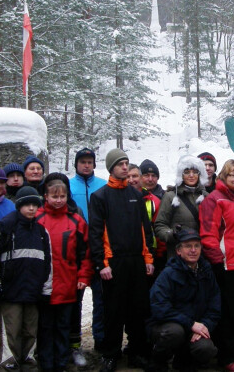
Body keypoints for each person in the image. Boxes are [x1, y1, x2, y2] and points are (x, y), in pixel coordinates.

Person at [89, 148, 156, 372]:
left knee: (138, 310)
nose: (125, 167)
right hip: (113, 262)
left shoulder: (136, 195)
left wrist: (148, 258)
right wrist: (101, 263)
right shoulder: (100, 196)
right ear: (111, 168)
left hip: (136, 260)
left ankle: (137, 352)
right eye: (120, 164)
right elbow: (95, 232)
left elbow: (145, 229)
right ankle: (110, 354)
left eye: (127, 163)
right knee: (113, 311)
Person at [0, 186, 52, 372]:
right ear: (19, 206)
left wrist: (46, 289)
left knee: (31, 332)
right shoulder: (5, 228)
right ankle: (9, 366)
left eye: (35, 205)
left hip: (33, 292)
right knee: (11, 332)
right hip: (10, 292)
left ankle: (29, 365)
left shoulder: (41, 232)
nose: (31, 208)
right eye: (27, 205)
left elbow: (48, 263)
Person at [198, 159, 234, 371]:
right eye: (232, 174)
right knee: (227, 315)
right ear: (224, 176)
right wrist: (217, 261)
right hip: (226, 265)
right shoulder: (214, 199)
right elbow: (208, 233)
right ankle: (224, 357)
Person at [37, 179, 93, 372]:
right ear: (46, 197)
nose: (59, 200)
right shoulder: (37, 219)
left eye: (62, 196)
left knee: (63, 326)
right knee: (45, 327)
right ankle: (46, 364)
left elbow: (85, 252)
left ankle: (61, 363)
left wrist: (83, 276)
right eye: (54, 196)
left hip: (68, 282)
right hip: (43, 284)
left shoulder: (76, 220)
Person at [147, 228, 220, 372]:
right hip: (169, 326)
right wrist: (190, 324)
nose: (193, 250)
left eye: (196, 246)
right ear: (178, 251)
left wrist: (205, 325)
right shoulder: (168, 274)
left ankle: (184, 360)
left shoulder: (207, 272)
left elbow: (215, 306)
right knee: (174, 333)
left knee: (206, 348)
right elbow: (159, 307)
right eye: (188, 246)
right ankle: (159, 360)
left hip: (196, 326)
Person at [69, 147, 103, 365]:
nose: (86, 165)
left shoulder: (103, 185)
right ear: (76, 164)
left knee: (101, 299)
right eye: (82, 161)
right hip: (77, 248)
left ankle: (101, 341)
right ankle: (73, 344)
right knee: (75, 300)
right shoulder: (68, 186)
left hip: (99, 247)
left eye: (90, 161)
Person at [153, 156, 209, 253]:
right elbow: (160, 225)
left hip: (202, 253)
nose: (191, 175)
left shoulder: (207, 197)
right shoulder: (170, 197)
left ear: (200, 174)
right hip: (178, 253)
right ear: (181, 175)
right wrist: (172, 234)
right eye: (186, 172)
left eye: (195, 172)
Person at [139, 160, 167, 276]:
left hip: (158, 251)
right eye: (146, 175)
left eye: (154, 175)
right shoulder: (132, 196)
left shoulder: (166, 197)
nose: (150, 179)